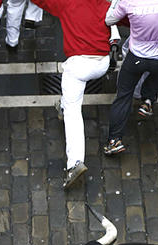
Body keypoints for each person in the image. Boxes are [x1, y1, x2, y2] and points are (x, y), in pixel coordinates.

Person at [32, 0, 120, 188]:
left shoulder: (67, 3)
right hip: (102, 63)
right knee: (69, 98)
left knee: (73, 111)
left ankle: (74, 163)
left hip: (78, 65)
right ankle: (62, 106)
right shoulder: (105, 5)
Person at [103, 0, 158, 156]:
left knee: (123, 96)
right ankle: (147, 101)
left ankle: (114, 140)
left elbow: (109, 20)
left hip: (136, 57)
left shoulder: (128, 2)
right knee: (154, 79)